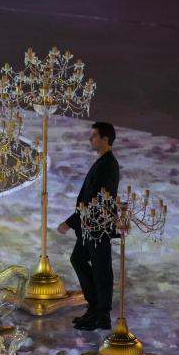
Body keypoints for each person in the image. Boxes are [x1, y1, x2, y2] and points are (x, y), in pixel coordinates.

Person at [57, 122, 119, 331]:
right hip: (90, 225)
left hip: (98, 226)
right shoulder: (103, 162)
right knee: (79, 259)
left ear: (104, 139)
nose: (90, 139)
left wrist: (70, 222)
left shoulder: (107, 165)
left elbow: (94, 199)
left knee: (101, 269)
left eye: (94, 135)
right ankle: (95, 308)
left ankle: (101, 315)